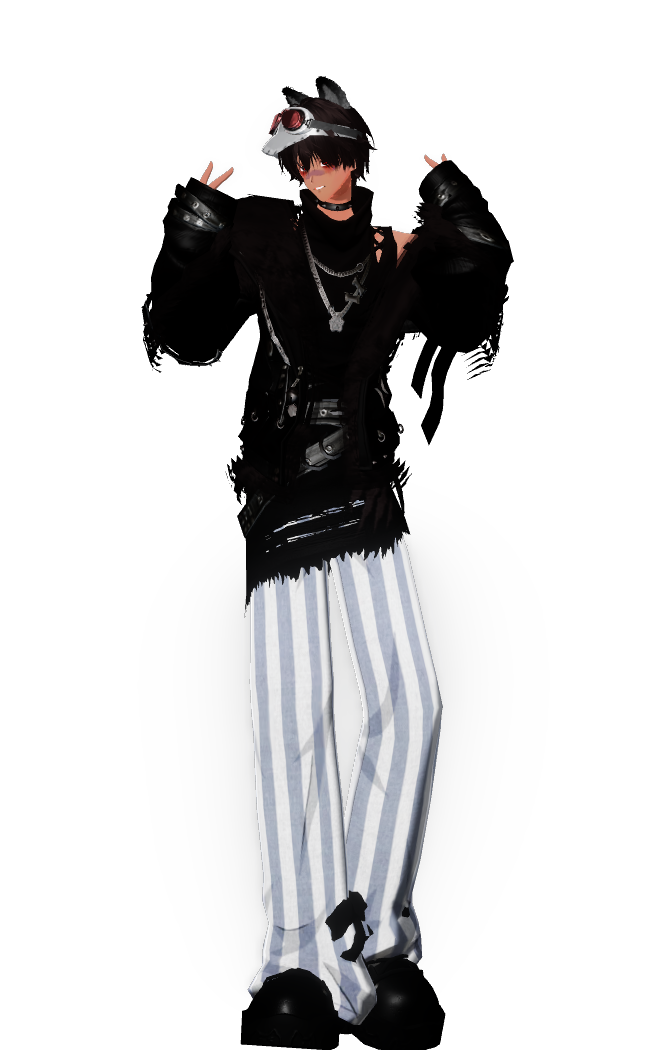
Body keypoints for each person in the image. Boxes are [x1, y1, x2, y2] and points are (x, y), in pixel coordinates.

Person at [145, 80, 507, 1034]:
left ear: (358, 156)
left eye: (333, 154)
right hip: (279, 494)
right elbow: (179, 331)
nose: (320, 171)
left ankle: (374, 928)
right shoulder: (260, 235)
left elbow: (476, 291)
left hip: (367, 487)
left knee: (414, 702)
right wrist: (188, 236)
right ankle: (300, 948)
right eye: (305, 159)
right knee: (293, 722)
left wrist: (457, 207)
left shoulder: (393, 243)